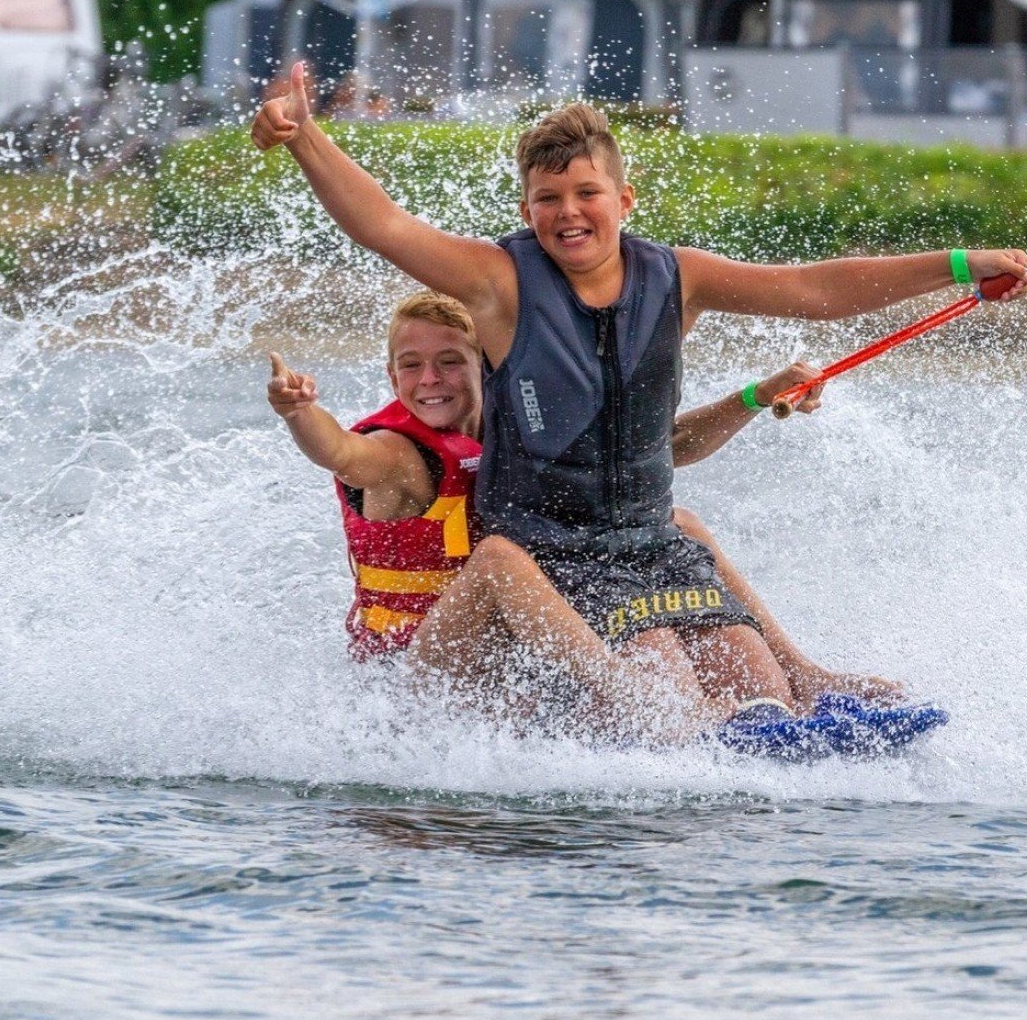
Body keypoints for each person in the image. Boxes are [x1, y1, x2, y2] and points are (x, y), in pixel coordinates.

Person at [251, 67, 1027, 741]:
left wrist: (960, 265)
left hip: (648, 548)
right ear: (527, 211)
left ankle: (799, 694)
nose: (568, 212)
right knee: (663, 677)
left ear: (624, 198)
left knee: (758, 682)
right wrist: (305, 140)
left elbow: (813, 288)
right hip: (549, 558)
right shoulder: (500, 284)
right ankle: (687, 731)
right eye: (547, 198)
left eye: (587, 192)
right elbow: (383, 224)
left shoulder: (679, 276)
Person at [269, 291, 902, 744]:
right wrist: (301, 414)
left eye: (450, 362)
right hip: (418, 672)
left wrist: (756, 397)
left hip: (510, 655)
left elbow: (667, 450)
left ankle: (804, 676)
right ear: (392, 375)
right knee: (498, 559)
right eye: (411, 365)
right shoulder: (400, 457)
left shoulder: (524, 431)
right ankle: (650, 709)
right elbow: (341, 454)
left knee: (674, 522)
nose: (430, 379)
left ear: (486, 368)